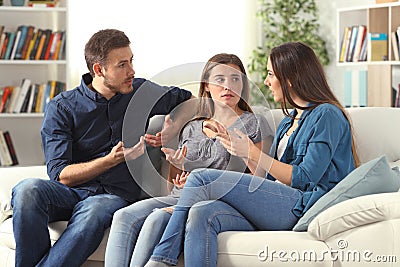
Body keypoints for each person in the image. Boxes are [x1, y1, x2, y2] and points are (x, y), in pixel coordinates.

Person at [144, 42, 361, 267]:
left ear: (290, 78)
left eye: (270, 74)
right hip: (276, 202)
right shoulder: (288, 121)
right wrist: (239, 149)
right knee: (200, 213)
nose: (266, 82)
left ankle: (161, 260)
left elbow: (305, 178)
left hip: (303, 204)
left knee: (201, 177)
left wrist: (253, 152)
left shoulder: (327, 114)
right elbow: (266, 179)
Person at [10, 29, 193, 267]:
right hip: (71, 193)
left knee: (94, 211)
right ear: (99, 70)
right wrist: (111, 159)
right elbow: (61, 175)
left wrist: (173, 126)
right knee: (26, 190)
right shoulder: (62, 107)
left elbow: (189, 100)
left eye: (131, 61)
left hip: (112, 196)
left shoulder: (141, 92)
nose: (132, 71)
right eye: (122, 65)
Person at [104, 53, 273, 267]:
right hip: (179, 197)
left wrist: (241, 149)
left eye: (235, 79)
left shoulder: (255, 123)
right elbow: (173, 184)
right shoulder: (192, 126)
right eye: (219, 79)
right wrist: (176, 166)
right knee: (123, 215)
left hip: (216, 203)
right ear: (207, 86)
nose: (228, 86)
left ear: (243, 84)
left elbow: (259, 180)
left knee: (156, 219)